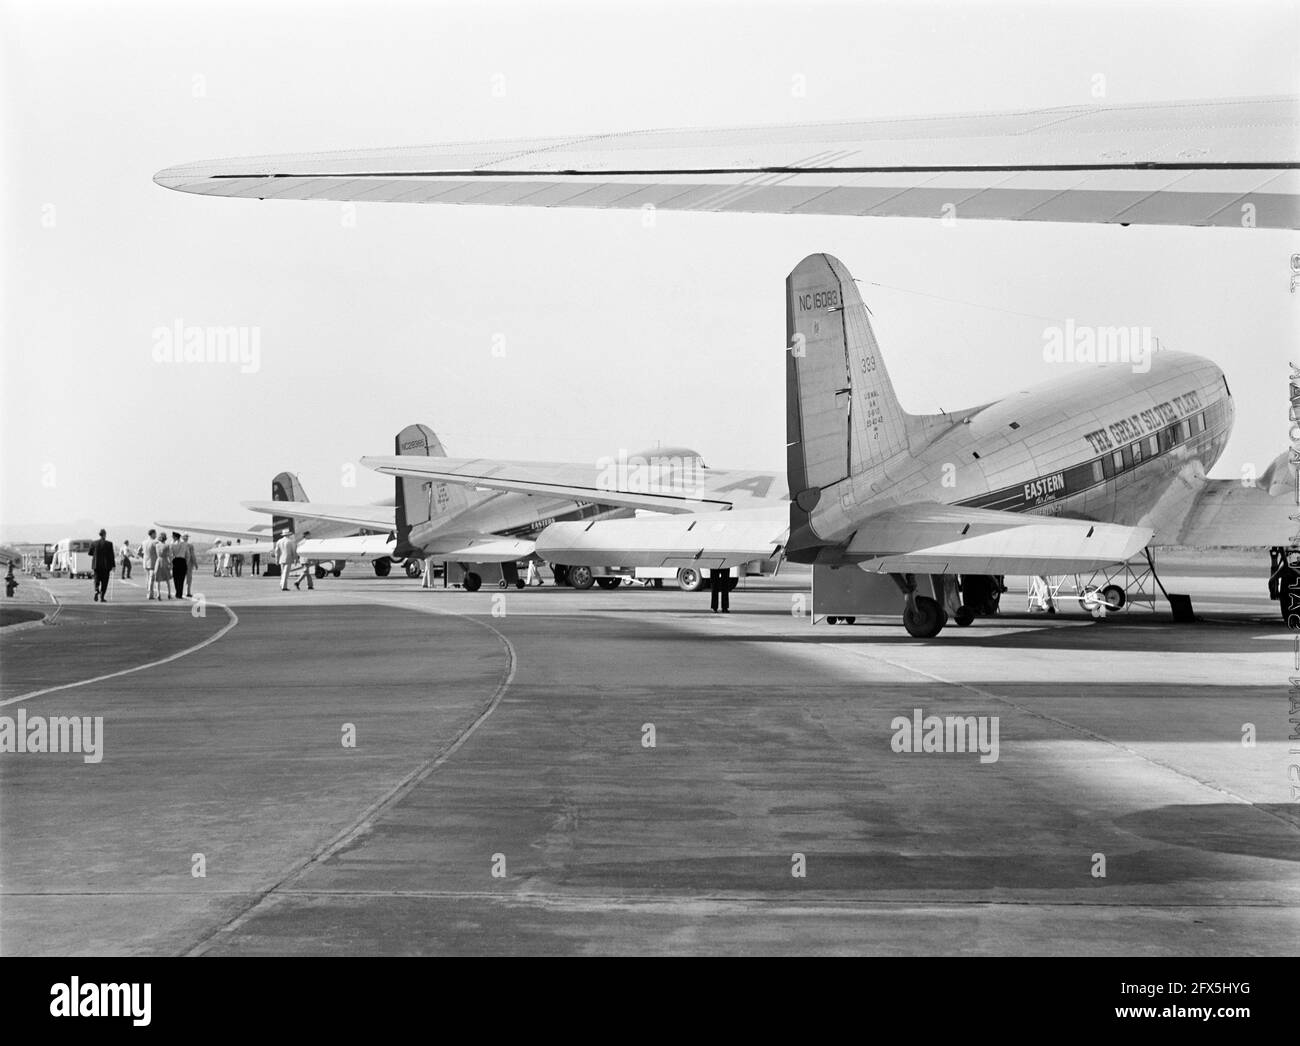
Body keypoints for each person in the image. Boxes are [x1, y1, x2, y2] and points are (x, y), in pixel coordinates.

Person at [88, 528, 115, 602]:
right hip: (106, 566)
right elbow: (111, 556)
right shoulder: (109, 544)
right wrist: (113, 565)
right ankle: (102, 597)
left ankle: (96, 590)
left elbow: (90, 553)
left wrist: (96, 553)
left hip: (96, 565)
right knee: (104, 582)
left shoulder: (94, 543)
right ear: (105, 535)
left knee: (96, 580)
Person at [170, 531, 190, 599]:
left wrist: (171, 563)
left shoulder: (172, 544)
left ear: (175, 537)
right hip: (183, 561)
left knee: (176, 578)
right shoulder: (185, 544)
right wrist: (186, 563)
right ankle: (180, 593)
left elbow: (170, 555)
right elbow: (188, 555)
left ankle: (177, 592)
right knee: (182, 579)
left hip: (175, 561)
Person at [144, 529, 160, 599]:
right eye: (155, 534)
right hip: (152, 562)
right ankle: (150, 594)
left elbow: (139, 551)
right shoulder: (155, 542)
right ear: (152, 534)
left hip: (145, 562)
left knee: (148, 578)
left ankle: (148, 593)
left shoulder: (144, 542)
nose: (156, 535)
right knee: (151, 578)